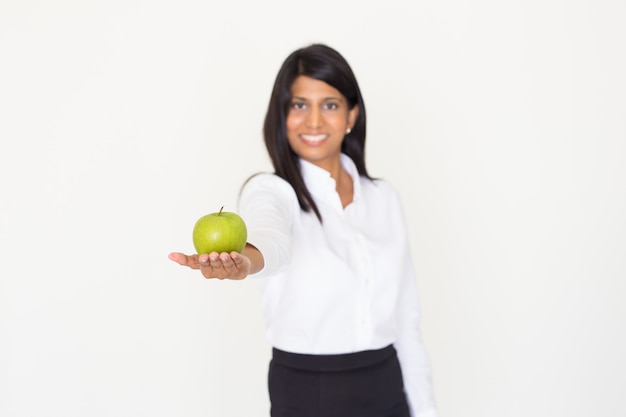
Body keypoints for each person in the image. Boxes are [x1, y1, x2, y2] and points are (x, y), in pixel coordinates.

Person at [169, 44, 438, 417]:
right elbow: (271, 239)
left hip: (387, 389)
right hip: (309, 395)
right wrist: (246, 261)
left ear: (351, 115)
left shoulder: (384, 198)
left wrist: (426, 411)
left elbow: (407, 324)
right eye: (298, 105)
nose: (314, 121)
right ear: (281, 116)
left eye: (329, 104)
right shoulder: (269, 190)